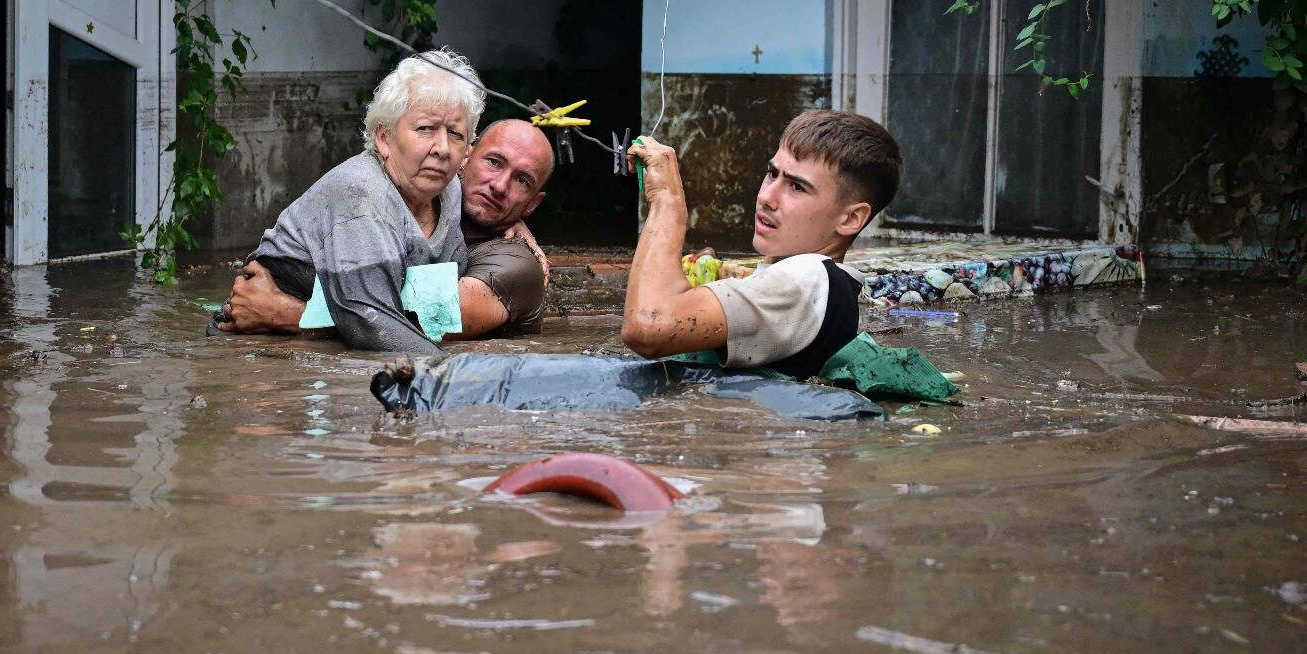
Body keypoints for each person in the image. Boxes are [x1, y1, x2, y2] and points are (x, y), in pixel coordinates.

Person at [217, 48, 481, 356]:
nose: (443, 148)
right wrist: (460, 374)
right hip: (260, 349)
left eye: (456, 134)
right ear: (384, 137)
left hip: (318, 336)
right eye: (425, 129)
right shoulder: (361, 191)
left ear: (467, 151)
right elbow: (371, 323)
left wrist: (517, 226)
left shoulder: (451, 192)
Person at [620, 109, 902, 379]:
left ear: (851, 218)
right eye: (772, 173)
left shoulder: (807, 277)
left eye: (797, 186)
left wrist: (667, 200)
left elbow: (649, 325)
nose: (767, 197)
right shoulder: (827, 287)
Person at [222, 116, 556, 341]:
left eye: (521, 181)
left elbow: (425, 324)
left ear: (532, 204)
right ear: (464, 157)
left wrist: (284, 314)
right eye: (494, 162)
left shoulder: (517, 264)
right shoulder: (413, 201)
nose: (499, 185)